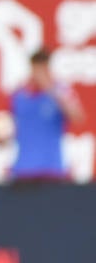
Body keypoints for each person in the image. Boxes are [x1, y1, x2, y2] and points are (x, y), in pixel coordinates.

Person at [5, 48, 85, 184]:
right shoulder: (18, 95)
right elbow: (9, 128)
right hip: (23, 171)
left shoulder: (60, 92)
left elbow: (77, 116)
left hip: (52, 170)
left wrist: (50, 88)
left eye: (43, 68)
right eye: (36, 69)